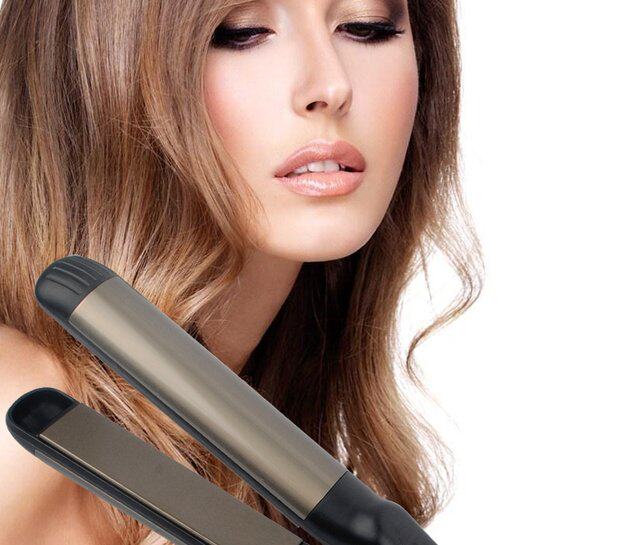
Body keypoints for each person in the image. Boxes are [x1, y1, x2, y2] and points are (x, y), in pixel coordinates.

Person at [0, 0, 484, 544]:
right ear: (96, 76)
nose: (331, 85)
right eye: (242, 33)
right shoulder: (18, 401)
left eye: (364, 27)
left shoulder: (283, 446)